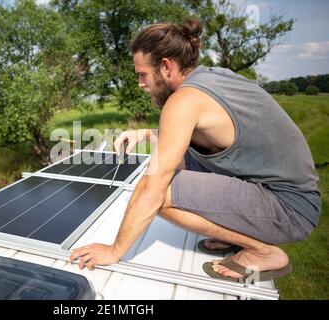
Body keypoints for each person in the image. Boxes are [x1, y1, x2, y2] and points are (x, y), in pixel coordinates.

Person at [70, 19, 321, 282]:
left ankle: (262, 252)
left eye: (142, 74)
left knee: (160, 193)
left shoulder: (183, 101)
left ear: (166, 66)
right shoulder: (211, 78)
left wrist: (115, 250)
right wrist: (145, 133)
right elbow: (190, 135)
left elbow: (152, 190)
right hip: (289, 193)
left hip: (291, 210)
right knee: (179, 158)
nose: (140, 84)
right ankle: (235, 230)